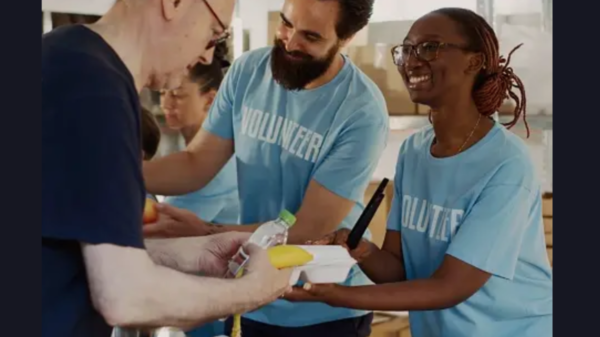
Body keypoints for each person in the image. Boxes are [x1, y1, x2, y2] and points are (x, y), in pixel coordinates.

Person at [284, 7, 553, 337]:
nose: (411, 61)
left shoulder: (506, 165)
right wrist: (362, 251)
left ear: (474, 61)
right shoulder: (414, 152)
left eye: (429, 47)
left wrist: (340, 296)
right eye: (406, 50)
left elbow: (451, 287)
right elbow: (399, 272)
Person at [41, 0, 292, 336]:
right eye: (214, 35)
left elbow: (73, 252)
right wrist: (254, 290)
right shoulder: (96, 91)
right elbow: (125, 296)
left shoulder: (64, 53)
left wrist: (194, 255)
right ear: (175, 4)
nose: (206, 56)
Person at [142, 0, 388, 335]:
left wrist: (206, 233)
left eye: (310, 37)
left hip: (323, 308)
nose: (289, 42)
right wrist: (114, 174)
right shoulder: (248, 72)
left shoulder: (361, 111)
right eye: (286, 23)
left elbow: (308, 226)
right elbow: (196, 163)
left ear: (347, 37)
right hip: (250, 292)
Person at [148, 41, 240, 235]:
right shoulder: (188, 149)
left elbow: (160, 227)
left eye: (177, 95)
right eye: (163, 93)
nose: (166, 103)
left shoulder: (215, 167)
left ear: (210, 100)